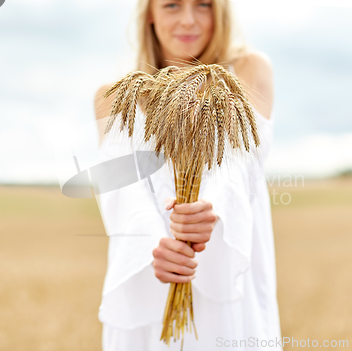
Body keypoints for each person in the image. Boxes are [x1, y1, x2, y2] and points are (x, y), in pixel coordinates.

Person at [93, 0, 281, 350]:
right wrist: (154, 245)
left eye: (204, 5)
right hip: (148, 280)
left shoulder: (248, 70)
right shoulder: (112, 96)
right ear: (149, 12)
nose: (189, 20)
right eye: (172, 5)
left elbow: (241, 159)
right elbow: (119, 188)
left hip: (227, 280)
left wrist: (209, 209)